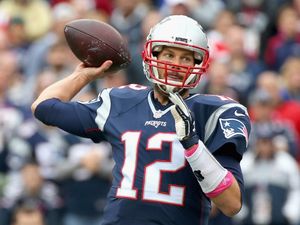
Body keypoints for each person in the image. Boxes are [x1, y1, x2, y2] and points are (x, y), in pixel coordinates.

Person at [31, 15, 251, 225]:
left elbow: (231, 204)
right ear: (152, 55)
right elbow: (44, 107)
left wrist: (192, 145)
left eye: (185, 57)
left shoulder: (215, 112)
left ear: (199, 64)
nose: (176, 64)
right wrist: (85, 75)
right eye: (169, 55)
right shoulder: (120, 101)